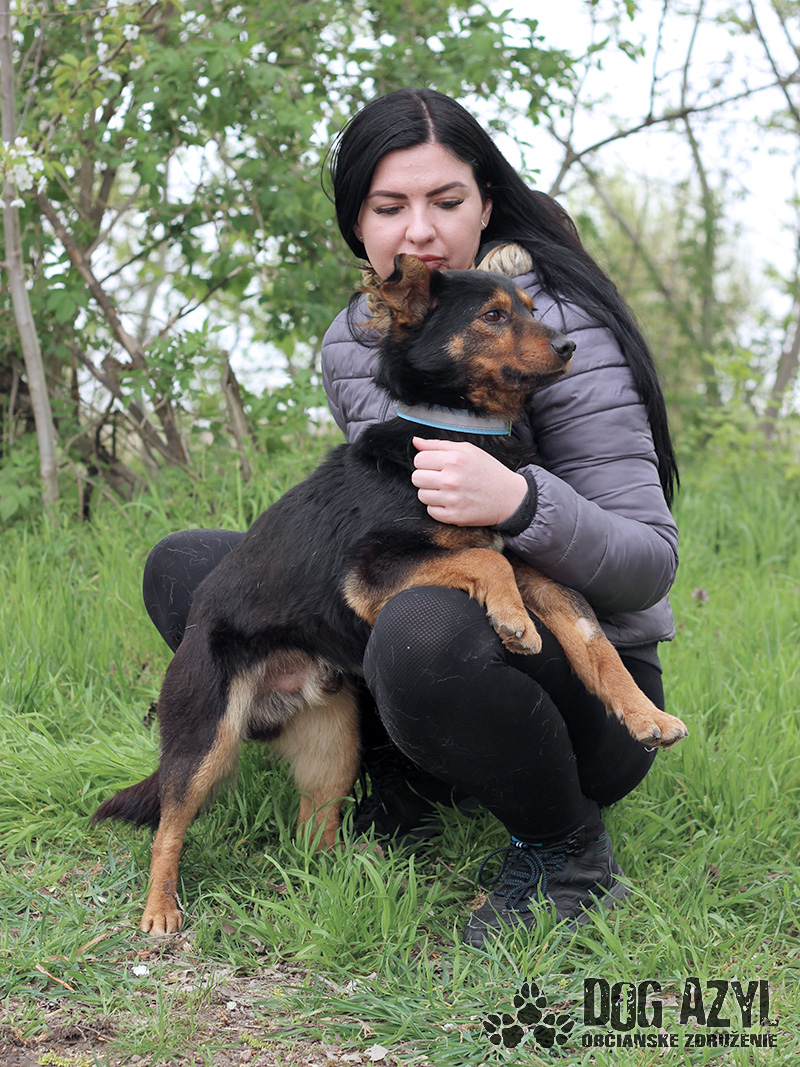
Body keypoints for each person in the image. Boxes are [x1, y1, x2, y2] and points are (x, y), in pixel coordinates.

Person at [143, 88, 679, 949]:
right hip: (437, 612)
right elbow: (382, 524)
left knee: (422, 626)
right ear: (358, 224)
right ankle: (401, 775)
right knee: (188, 569)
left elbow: (648, 562)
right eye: (390, 207)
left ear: (487, 205)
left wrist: (521, 502)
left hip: (579, 689)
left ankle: (564, 850)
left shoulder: (556, 332)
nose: (418, 230)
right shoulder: (356, 339)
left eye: (446, 200)